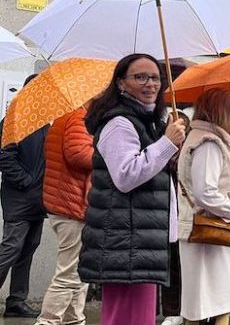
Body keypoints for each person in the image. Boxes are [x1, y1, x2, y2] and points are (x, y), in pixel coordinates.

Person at [79, 54, 187, 324]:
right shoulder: (119, 124)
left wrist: (169, 149)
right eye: (140, 77)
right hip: (126, 240)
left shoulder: (148, 122)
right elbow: (126, 175)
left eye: (155, 77)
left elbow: (151, 173)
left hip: (139, 238)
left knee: (137, 317)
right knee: (127, 318)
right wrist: (166, 144)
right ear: (121, 84)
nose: (150, 83)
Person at [177, 88, 230, 325]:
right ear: (220, 112)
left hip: (213, 231)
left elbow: (229, 186)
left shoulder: (214, 141)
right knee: (203, 304)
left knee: (217, 302)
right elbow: (206, 193)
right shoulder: (207, 143)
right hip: (205, 232)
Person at [35, 104, 92, 325]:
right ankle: (48, 322)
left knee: (79, 273)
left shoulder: (69, 117)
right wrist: (106, 149)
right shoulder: (79, 118)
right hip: (71, 205)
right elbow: (78, 154)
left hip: (69, 204)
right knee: (68, 275)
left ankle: (74, 320)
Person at [0, 74, 47, 318]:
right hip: (20, 198)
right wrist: (26, 181)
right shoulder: (15, 119)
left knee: (27, 250)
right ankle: (15, 300)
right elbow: (5, 157)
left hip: (38, 200)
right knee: (11, 248)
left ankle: (16, 301)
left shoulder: (43, 123)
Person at [161, 112, 191, 325]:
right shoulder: (164, 146)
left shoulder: (190, 149)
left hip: (185, 211)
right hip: (168, 211)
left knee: (184, 264)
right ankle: (171, 310)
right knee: (171, 263)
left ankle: (185, 308)